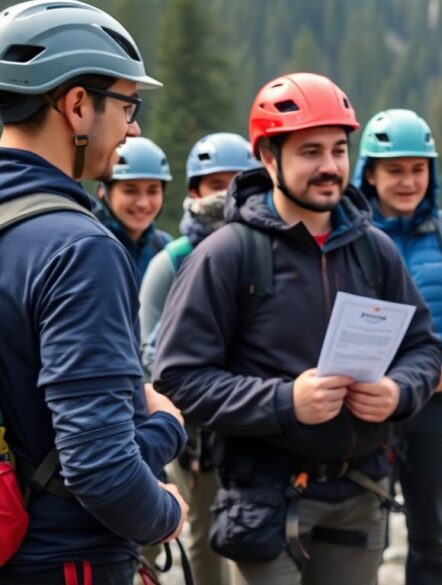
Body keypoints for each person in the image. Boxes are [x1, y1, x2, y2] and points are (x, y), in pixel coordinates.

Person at [152, 72, 442, 585]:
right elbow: (179, 380)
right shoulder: (227, 255)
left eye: (338, 149)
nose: (330, 167)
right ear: (268, 157)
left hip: (361, 495)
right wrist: (286, 402)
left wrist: (399, 392)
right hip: (264, 497)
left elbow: (423, 346)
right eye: (310, 152)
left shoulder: (374, 249)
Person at [0, 1, 187, 583]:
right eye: (127, 105)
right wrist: (166, 510)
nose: (133, 128)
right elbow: (100, 469)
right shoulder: (79, 249)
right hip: (62, 557)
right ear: (77, 105)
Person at [351, 108, 442, 585]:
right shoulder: (350, 239)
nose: (408, 180)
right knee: (365, 530)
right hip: (366, 407)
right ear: (369, 172)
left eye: (418, 168)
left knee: (431, 531)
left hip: (435, 407)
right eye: (395, 169)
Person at [137, 131, 258, 585]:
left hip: (257, 417)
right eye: (215, 184)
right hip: (196, 427)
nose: (225, 195)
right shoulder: (172, 261)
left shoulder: (263, 251)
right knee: (206, 533)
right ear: (193, 192)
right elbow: (154, 352)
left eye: (235, 182)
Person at [94, 136, 174, 283]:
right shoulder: (88, 247)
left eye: (152, 191)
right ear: (103, 191)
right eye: (130, 191)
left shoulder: (165, 247)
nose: (143, 203)